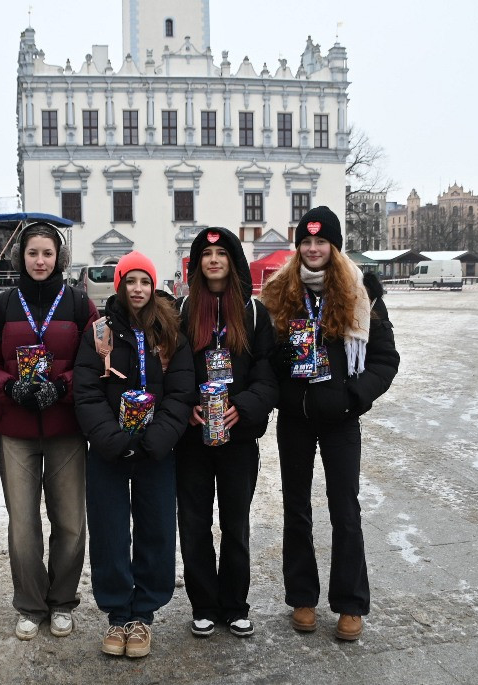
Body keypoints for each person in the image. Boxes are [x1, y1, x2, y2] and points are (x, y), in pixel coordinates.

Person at [262, 206, 400, 642]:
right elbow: (264, 358)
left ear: (334, 247)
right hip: (296, 419)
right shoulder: (279, 292)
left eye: (321, 242)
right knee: (296, 509)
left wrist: (354, 397)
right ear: (298, 246)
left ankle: (350, 604)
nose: (313, 248)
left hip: (341, 419)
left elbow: (384, 358)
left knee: (345, 509)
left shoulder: (361, 292)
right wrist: (283, 373)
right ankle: (303, 597)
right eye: (306, 241)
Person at [0, 221, 98, 641]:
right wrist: (10, 387)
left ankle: (62, 600)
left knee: (69, 522)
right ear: (21, 258)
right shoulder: (4, 304)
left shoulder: (80, 304)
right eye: (32, 253)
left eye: (47, 253)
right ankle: (30, 602)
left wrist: (62, 387)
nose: (40, 261)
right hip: (17, 430)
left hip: (65, 427)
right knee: (22, 524)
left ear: (59, 258)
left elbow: (94, 362)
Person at [73, 251, 194, 658]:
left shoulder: (169, 330)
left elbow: (181, 392)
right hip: (110, 450)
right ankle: (116, 613)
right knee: (109, 531)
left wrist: (158, 437)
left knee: (155, 529)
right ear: (120, 285)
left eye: (145, 281)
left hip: (156, 451)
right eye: (130, 281)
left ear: (153, 285)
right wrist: (112, 438)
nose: (138, 289)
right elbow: (87, 391)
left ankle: (143, 613)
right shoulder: (100, 331)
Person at [175, 227, 278, 639]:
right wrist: (186, 409)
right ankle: (204, 604)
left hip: (237, 438)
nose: (214, 260)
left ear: (234, 263)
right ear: (197, 263)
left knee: (235, 523)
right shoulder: (181, 312)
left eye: (222, 253)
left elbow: (268, 376)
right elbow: (169, 372)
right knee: (195, 523)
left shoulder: (254, 314)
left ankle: (235, 604)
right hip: (193, 439)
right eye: (206, 254)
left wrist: (245, 407)